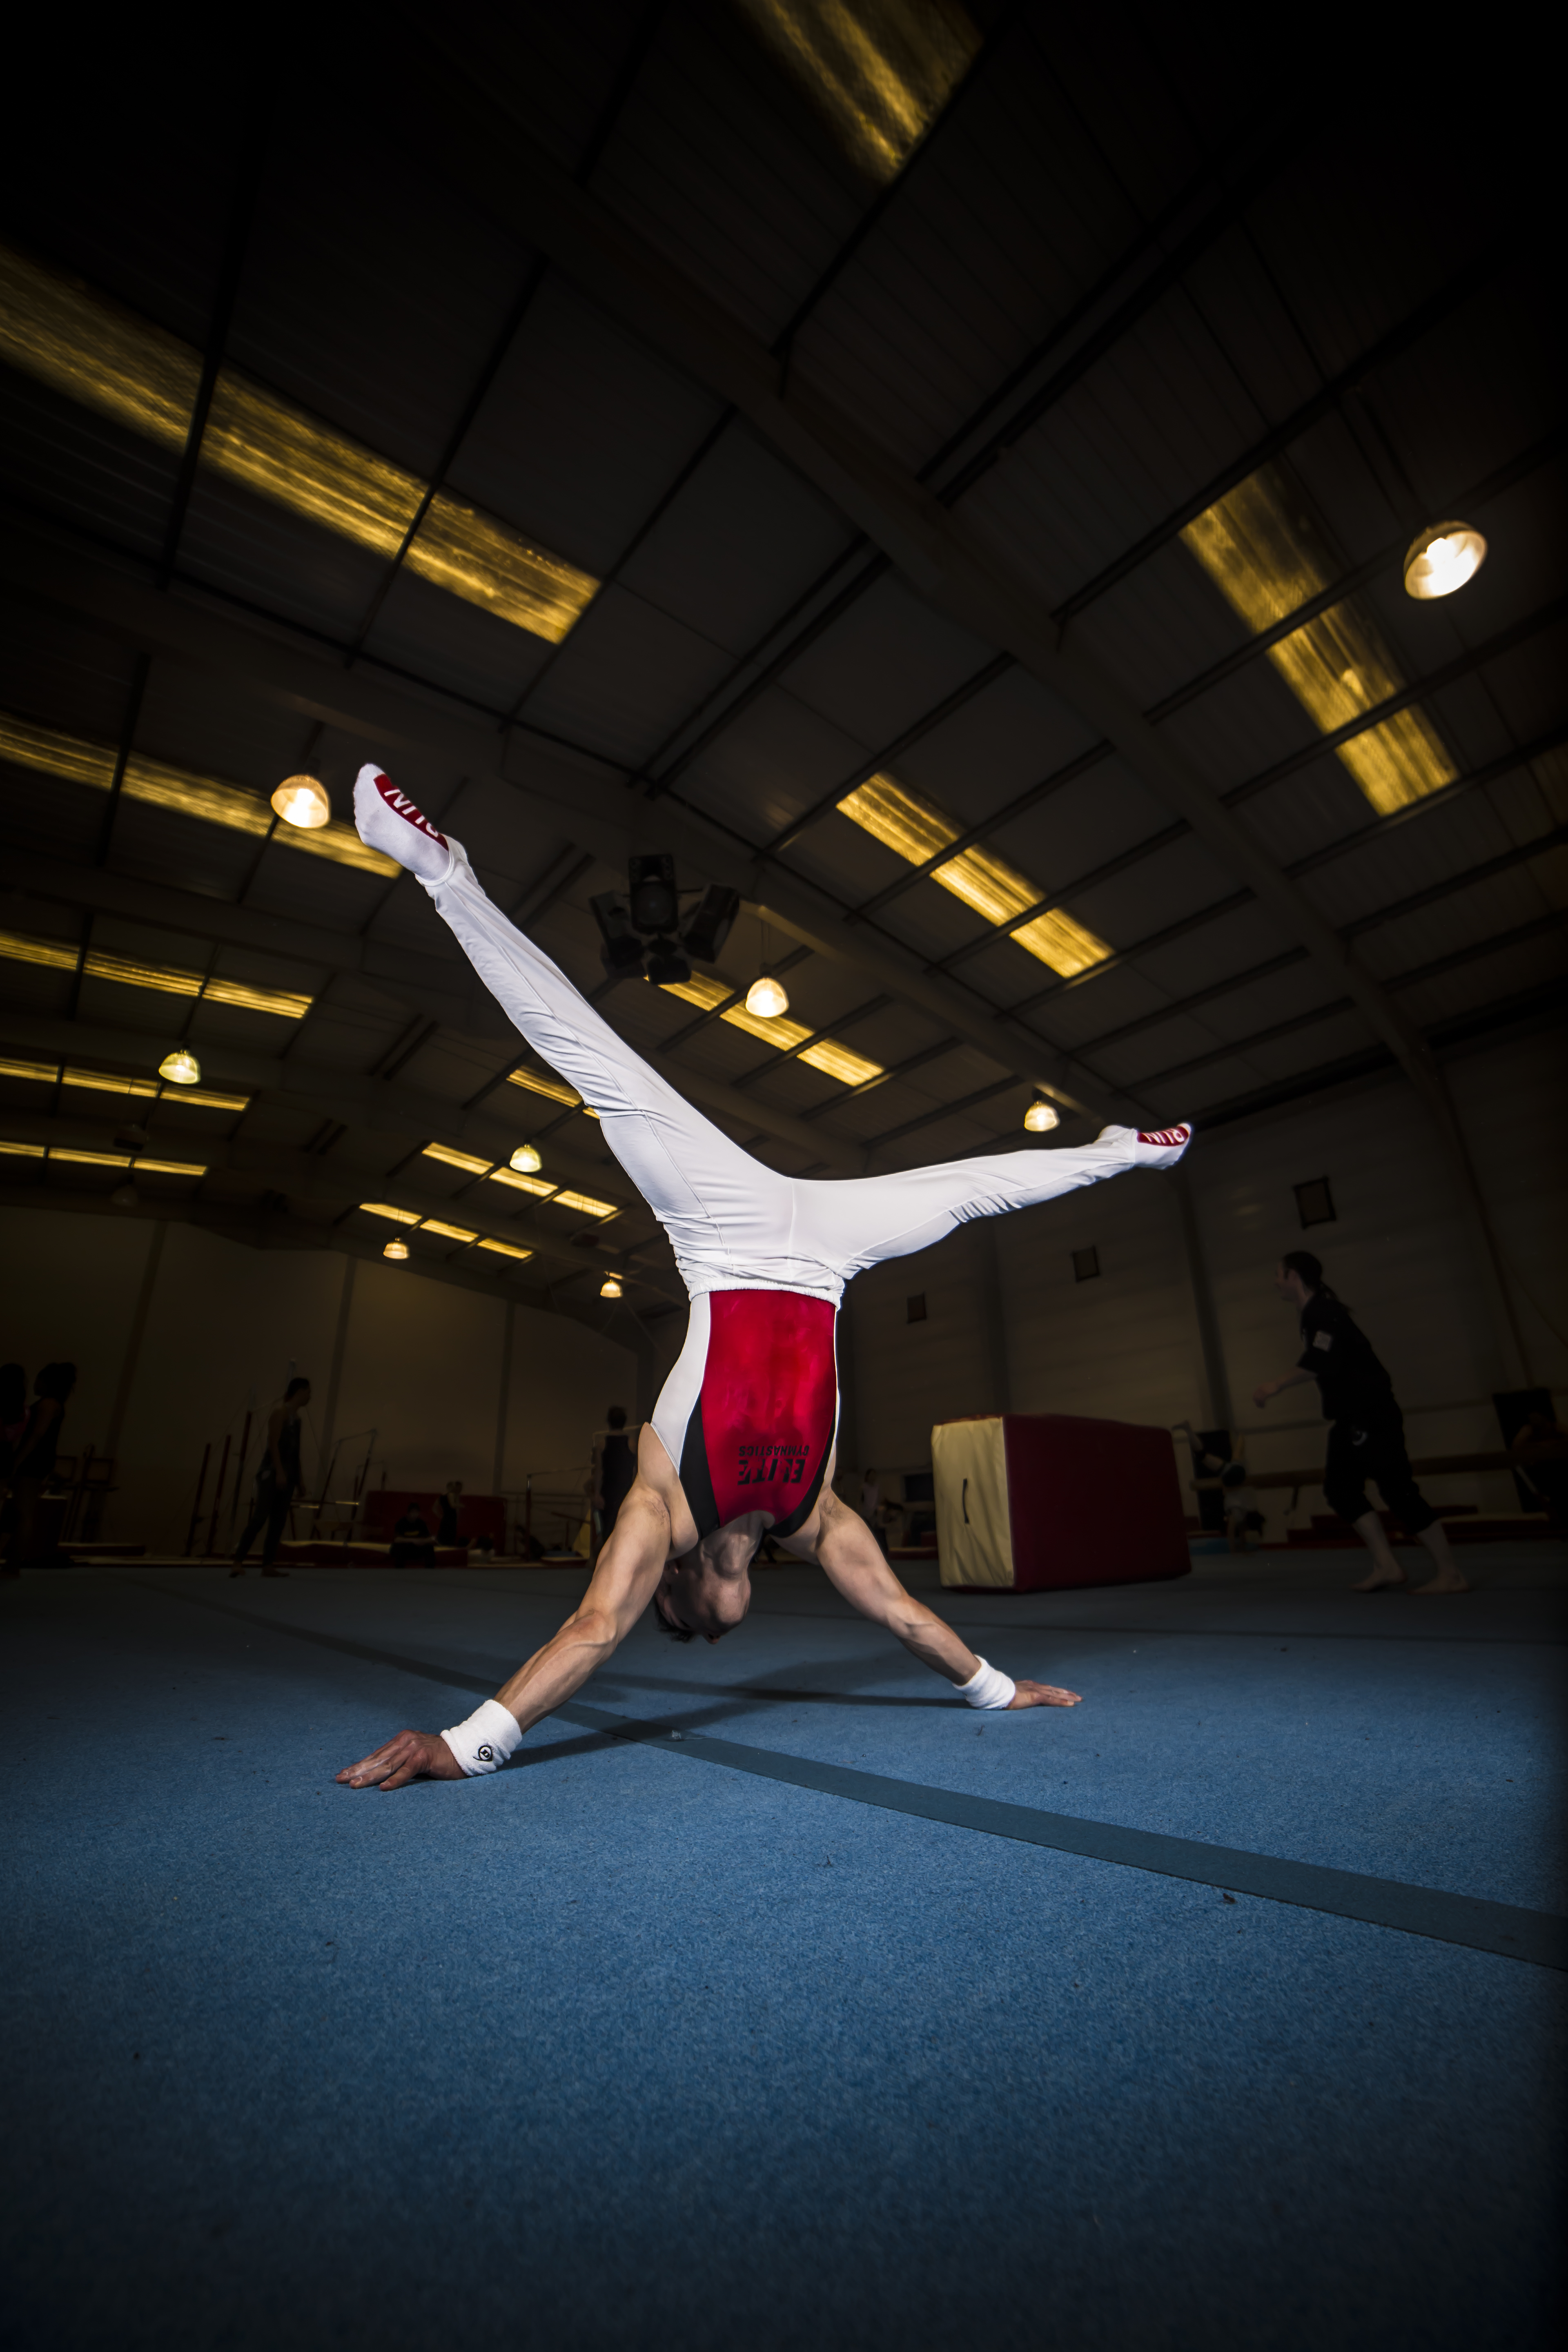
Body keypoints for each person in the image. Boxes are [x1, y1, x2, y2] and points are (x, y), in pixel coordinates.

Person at [335, 766, 1193, 1790]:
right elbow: (903, 1612)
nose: (713, 1634)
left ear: (680, 1594)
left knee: (599, 1065)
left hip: (723, 1234)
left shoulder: (662, 1506)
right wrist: (997, 1687)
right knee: (970, 1192)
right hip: (827, 1259)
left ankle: (443, 871)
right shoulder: (810, 1514)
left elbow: (596, 1622)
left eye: (693, 1633)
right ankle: (1118, 1148)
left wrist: (466, 1742)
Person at [1254, 1252, 1466, 1594]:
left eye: (1278, 1275)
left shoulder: (1323, 1311)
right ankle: (1387, 1565)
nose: (1275, 1281)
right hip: (1349, 1418)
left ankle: (1450, 1573)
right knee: (1340, 1489)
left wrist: (1274, 1384)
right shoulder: (1312, 1314)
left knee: (1397, 1490)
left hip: (1371, 1413)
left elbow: (1319, 1361)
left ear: (1293, 1275)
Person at [230, 1378, 310, 1577]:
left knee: (278, 1522)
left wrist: (299, 1479)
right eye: (308, 1392)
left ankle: (268, 1564)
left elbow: (295, 1451)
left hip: (289, 1474)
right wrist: (279, 1471)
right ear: (300, 1392)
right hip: (271, 1472)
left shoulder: (298, 1420)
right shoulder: (280, 1413)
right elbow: (273, 1444)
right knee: (260, 1518)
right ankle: (238, 1561)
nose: (310, 1397)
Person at [2, 1362, 75, 1572]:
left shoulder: (48, 1404)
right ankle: (11, 1561)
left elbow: (37, 1435)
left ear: (46, 1382)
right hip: (37, 1461)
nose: (35, 1383)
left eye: (39, 1379)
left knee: (23, 1513)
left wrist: (17, 1461)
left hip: (32, 1461)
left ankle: (14, 1564)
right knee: (15, 1512)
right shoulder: (51, 1404)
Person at [592, 1408, 637, 1553]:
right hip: (624, 1491)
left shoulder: (602, 1444)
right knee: (616, 1530)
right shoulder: (632, 1444)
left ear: (609, 1422)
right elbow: (636, 1471)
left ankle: (600, 1561)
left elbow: (599, 1472)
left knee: (608, 1531)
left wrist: (597, 1494)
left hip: (610, 1492)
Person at [389, 1502, 435, 1568]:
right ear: (408, 1513)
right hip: (405, 1547)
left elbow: (429, 1539)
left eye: (417, 1513)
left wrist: (422, 1541)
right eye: (413, 1512)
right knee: (397, 1548)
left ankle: (430, 1572)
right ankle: (399, 1572)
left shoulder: (421, 1523)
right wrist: (413, 1540)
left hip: (417, 1548)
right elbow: (397, 1540)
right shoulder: (401, 1523)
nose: (415, 1515)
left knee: (430, 1548)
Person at [438, 1481, 463, 1546]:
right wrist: (462, 1505)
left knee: (443, 1537)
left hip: (445, 1518)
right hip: (451, 1519)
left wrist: (440, 1516)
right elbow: (453, 1505)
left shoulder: (442, 1497)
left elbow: (434, 1508)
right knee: (450, 1538)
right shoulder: (452, 1495)